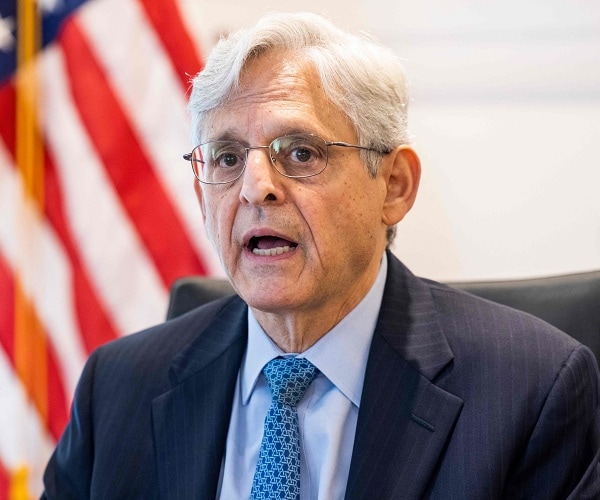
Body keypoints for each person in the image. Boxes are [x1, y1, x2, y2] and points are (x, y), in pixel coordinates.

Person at [42, 11, 599, 499]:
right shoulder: (115, 390)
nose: (254, 187)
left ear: (395, 186)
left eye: (300, 152)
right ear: (201, 195)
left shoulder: (533, 392)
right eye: (228, 158)